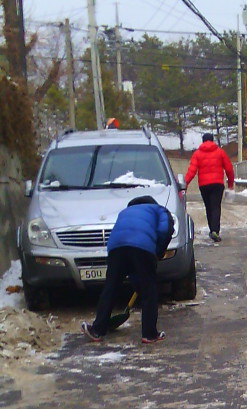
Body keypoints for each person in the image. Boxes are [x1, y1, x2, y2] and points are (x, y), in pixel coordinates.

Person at [81, 196, 174, 345]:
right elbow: (165, 229)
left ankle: (97, 329)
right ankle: (149, 334)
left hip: (116, 247)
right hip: (142, 247)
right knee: (149, 291)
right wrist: (158, 251)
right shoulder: (159, 209)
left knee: (111, 287)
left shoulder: (125, 212)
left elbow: (124, 238)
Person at [184, 132, 235, 243]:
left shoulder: (197, 154)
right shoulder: (220, 152)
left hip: (204, 185)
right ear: (212, 140)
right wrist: (230, 184)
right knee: (216, 206)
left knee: (208, 207)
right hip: (218, 184)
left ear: (202, 141)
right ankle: (215, 231)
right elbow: (229, 169)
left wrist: (185, 184)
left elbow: (191, 171)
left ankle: (212, 229)